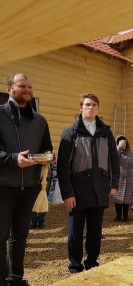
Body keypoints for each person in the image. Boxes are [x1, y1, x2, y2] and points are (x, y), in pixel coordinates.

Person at [57, 93, 120, 274]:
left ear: (98, 108)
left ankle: (92, 263)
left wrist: (113, 183)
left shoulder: (105, 132)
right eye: (87, 104)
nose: (90, 107)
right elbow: (62, 166)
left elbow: (114, 161)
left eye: (94, 105)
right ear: (81, 108)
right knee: (75, 232)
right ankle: (75, 266)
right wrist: (67, 193)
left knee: (95, 231)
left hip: (99, 189)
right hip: (78, 191)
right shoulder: (70, 133)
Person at [0, 74, 53, 286]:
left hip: (30, 187)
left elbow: (47, 147)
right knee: (0, 237)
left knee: (20, 236)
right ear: (9, 89)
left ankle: (16, 279)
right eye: (22, 85)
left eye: (30, 86)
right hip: (3, 186)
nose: (27, 89)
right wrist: (14, 159)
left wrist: (47, 157)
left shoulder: (39, 120)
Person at [110, 135, 133, 222]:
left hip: (130, 180)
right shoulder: (116, 153)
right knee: (117, 198)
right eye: (122, 143)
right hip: (119, 179)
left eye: (125, 143)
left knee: (127, 198)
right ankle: (118, 216)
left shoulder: (131, 154)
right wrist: (119, 147)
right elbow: (113, 157)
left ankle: (125, 216)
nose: (124, 145)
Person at [30, 157, 57, 229]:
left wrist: (55, 178)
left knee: (44, 199)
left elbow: (54, 164)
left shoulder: (48, 150)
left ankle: (41, 221)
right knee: (33, 199)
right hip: (33, 178)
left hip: (47, 178)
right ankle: (34, 221)